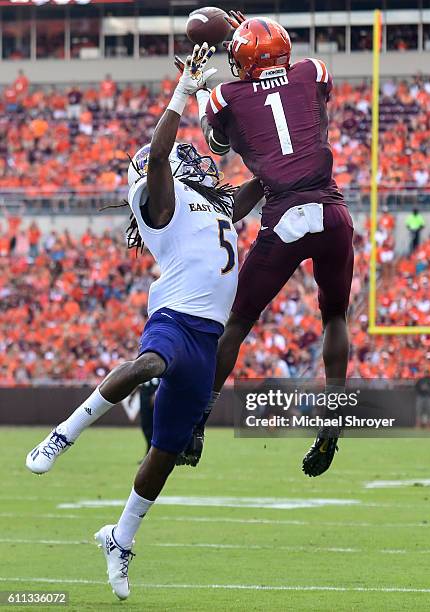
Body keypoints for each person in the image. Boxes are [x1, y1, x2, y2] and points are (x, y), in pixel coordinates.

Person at [25, 44, 262, 600]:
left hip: (209, 337)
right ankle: (65, 433)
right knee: (151, 361)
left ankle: (120, 537)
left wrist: (287, 161)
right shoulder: (163, 199)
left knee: (165, 452)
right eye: (187, 159)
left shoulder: (214, 204)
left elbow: (257, 188)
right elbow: (159, 162)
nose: (197, 162)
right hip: (175, 318)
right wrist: (184, 90)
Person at [179, 12, 354, 477]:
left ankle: (197, 422)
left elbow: (216, 146)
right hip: (332, 212)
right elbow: (299, 116)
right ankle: (333, 419)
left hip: (285, 216)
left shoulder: (225, 95)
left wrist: (199, 90)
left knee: (235, 324)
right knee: (335, 315)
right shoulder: (313, 71)